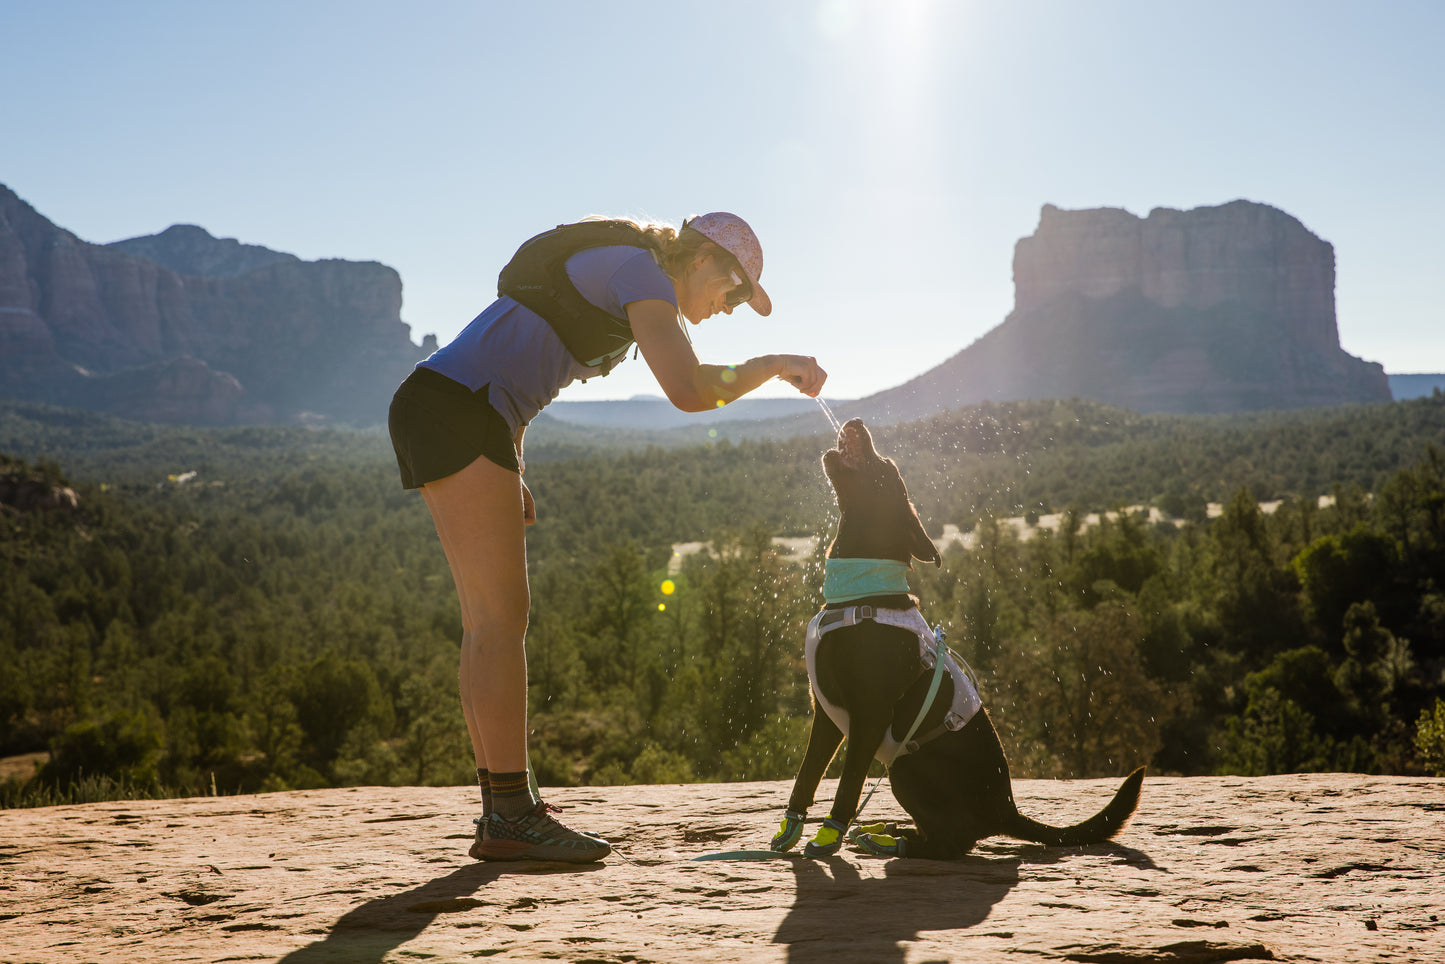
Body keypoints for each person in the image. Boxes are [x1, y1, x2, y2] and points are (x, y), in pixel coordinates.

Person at [388, 212, 827, 862]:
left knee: (487, 622)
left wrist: (514, 467)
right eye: (734, 293)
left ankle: (503, 808)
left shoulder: (632, 276)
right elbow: (687, 391)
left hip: (454, 409)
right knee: (500, 622)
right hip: (457, 411)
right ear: (704, 259)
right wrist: (773, 363)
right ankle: (511, 812)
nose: (729, 308)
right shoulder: (640, 272)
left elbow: (510, 362)